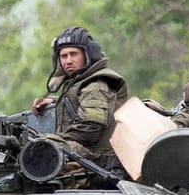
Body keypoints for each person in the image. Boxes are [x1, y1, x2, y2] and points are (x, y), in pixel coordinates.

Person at [30, 26, 128, 175]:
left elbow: (90, 127)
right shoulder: (82, 83)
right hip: (89, 155)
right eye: (63, 56)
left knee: (42, 147)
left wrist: (55, 139)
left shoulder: (96, 84)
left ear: (87, 55)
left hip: (98, 159)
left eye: (73, 54)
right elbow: (84, 103)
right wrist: (55, 102)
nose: (68, 61)